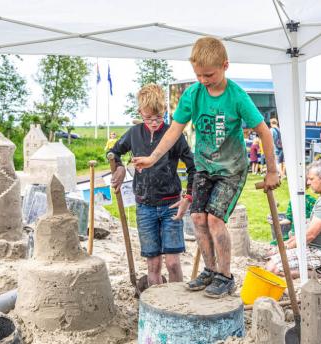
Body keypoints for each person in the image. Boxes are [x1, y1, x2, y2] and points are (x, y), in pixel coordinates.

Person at [133, 37, 280, 298]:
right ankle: (210, 270)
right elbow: (174, 131)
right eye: (198, 75)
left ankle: (225, 276)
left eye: (209, 75)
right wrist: (153, 158)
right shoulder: (193, 94)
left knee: (214, 219)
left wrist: (271, 170)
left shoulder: (237, 96)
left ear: (225, 66)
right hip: (204, 166)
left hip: (231, 169)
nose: (203, 80)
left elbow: (264, 132)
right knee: (198, 217)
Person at [109, 84, 196, 287]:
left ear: (164, 112)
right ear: (140, 113)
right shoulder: (134, 133)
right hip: (145, 207)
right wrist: (119, 167)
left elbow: (193, 166)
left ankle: (177, 305)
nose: (155, 123)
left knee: (173, 263)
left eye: (158, 118)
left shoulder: (173, 134)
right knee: (153, 265)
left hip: (171, 205)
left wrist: (188, 195)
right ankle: (157, 309)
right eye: (149, 118)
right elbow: (113, 153)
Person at [265, 159, 321, 279]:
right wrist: (284, 245)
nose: (308, 182)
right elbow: (306, 231)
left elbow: (309, 235)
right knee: (273, 260)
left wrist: (285, 248)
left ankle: (320, 273)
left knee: (271, 268)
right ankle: (314, 271)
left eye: (311, 179)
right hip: (315, 248)